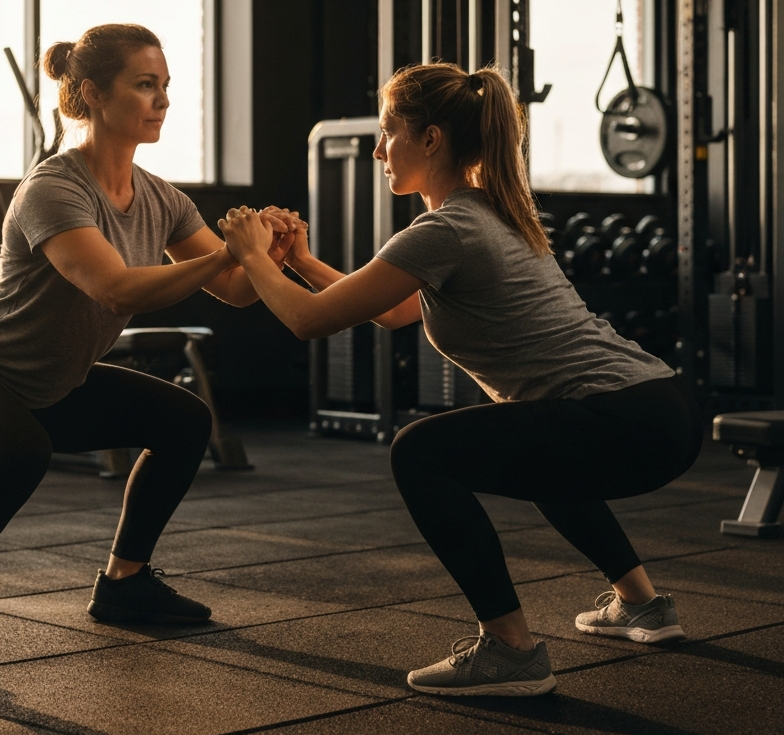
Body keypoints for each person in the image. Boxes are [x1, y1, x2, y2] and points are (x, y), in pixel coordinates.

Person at [219, 62, 703, 698]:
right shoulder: (491, 214)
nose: (377, 147)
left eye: (389, 130)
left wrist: (251, 253)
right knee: (533, 440)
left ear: (431, 140)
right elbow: (391, 311)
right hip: (662, 410)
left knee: (420, 453)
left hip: (620, 419)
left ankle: (511, 650)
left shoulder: (446, 228)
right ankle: (639, 603)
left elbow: (308, 321)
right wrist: (300, 260)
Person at [0, 23, 292, 684]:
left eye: (165, 87)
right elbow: (113, 286)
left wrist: (267, 254)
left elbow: (235, 292)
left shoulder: (162, 197)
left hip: (51, 384)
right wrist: (229, 249)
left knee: (183, 420)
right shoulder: (55, 189)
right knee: (18, 454)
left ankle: (124, 584)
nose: (160, 101)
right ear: (95, 95)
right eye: (144, 85)